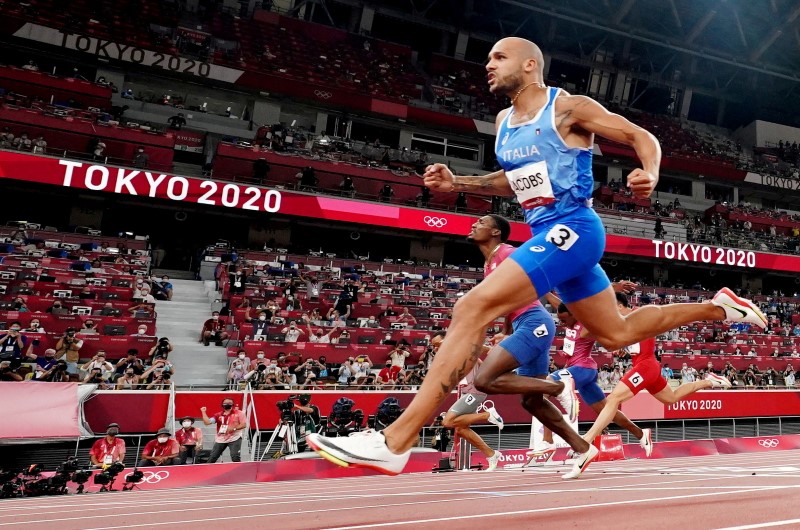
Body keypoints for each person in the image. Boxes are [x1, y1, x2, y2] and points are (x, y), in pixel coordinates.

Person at [304, 36, 767, 475]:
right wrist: (459, 184)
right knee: (616, 333)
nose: (488, 64)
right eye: (489, 58)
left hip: (576, 228)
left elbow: (640, 135)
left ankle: (395, 442)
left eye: (499, 57)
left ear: (530, 64)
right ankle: (721, 306)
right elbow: (513, 179)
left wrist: (650, 171)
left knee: (472, 306)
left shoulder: (566, 107)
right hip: (548, 232)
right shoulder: (505, 123)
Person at [565, 293, 732, 479]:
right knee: (672, 398)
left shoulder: (639, 315)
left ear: (619, 306)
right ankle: (709, 380)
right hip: (646, 366)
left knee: (613, 398)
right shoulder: (624, 324)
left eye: (613, 309)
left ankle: (587, 440)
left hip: (645, 366)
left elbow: (653, 321)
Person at [538, 289, 651, 457]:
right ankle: (641, 434)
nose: (562, 323)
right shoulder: (567, 315)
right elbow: (558, 303)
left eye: (563, 319)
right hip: (580, 373)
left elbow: (606, 333)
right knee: (607, 411)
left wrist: (618, 347)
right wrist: (543, 289)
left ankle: (548, 441)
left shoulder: (587, 325)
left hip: (583, 369)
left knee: (545, 386)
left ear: (574, 315)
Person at [201, 398, 247, 463]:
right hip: (221, 438)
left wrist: (234, 428)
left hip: (234, 437)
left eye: (229, 403)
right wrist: (203, 412)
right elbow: (207, 422)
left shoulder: (239, 413)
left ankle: (239, 471)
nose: (227, 404)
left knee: (235, 457)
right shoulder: (218, 415)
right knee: (213, 457)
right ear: (222, 405)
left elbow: (243, 425)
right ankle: (207, 471)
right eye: (225, 403)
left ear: (232, 404)